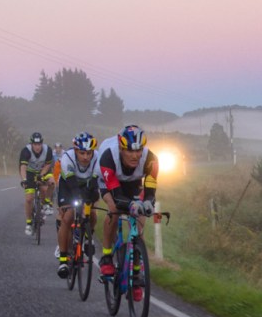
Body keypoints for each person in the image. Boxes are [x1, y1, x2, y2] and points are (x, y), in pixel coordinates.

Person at [97, 125, 159, 301]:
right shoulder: (108, 156)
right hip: (109, 180)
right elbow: (116, 195)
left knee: (140, 216)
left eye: (138, 150)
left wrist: (148, 203)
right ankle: (107, 256)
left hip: (132, 181)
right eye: (129, 151)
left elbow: (150, 189)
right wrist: (129, 204)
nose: (135, 155)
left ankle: (137, 272)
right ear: (121, 148)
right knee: (115, 209)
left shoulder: (150, 159)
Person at [55, 132, 100, 279]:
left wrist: (89, 200)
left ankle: (87, 237)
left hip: (87, 185)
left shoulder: (98, 158)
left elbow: (94, 184)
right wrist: (77, 202)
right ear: (75, 151)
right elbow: (72, 186)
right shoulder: (67, 158)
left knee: (92, 213)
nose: (86, 157)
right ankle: (63, 259)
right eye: (82, 153)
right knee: (68, 216)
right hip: (68, 185)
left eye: (88, 153)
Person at [19, 132, 55, 235]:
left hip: (44, 170)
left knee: (51, 183)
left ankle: (46, 203)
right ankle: (29, 223)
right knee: (29, 199)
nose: (37, 147)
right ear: (31, 144)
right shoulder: (26, 151)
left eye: (39, 144)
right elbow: (23, 168)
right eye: (35, 144)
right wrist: (24, 179)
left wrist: (41, 174)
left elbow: (48, 165)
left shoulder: (47, 150)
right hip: (29, 173)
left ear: (42, 144)